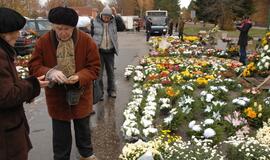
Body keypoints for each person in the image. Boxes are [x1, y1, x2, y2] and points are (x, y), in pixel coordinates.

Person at [28, 6, 100, 160]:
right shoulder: (44, 41)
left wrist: (79, 77)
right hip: (56, 96)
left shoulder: (87, 41)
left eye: (67, 29)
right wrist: (50, 72)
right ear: (53, 26)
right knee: (61, 133)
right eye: (58, 28)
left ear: (74, 27)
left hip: (81, 93)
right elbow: (34, 66)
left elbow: (94, 68)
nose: (62, 32)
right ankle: (61, 157)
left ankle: (86, 154)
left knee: (83, 128)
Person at [0, 7, 49, 160]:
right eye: (17, 30)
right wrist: (33, 85)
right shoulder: (0, 56)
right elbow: (6, 96)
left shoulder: (4, 51)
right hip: (6, 136)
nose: (19, 34)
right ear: (5, 33)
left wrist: (29, 85)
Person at [91, 5, 125, 100]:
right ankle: (100, 93)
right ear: (101, 15)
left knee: (111, 72)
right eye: (105, 16)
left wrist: (116, 15)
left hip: (110, 52)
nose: (106, 18)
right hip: (99, 52)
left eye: (109, 17)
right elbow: (91, 35)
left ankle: (112, 91)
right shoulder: (94, 22)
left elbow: (122, 27)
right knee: (99, 74)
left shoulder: (114, 22)